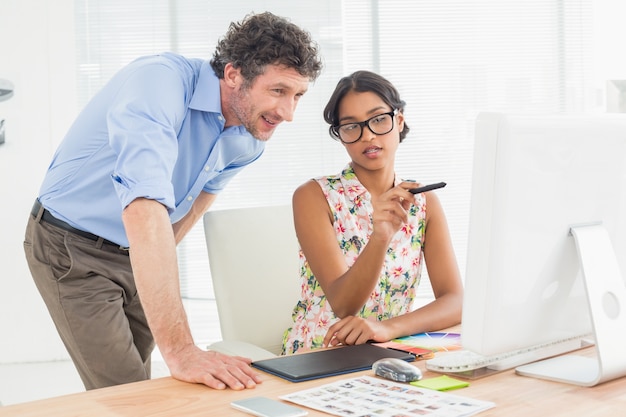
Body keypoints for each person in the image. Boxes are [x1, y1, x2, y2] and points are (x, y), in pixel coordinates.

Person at [23, 11, 322, 390]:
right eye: (278, 91)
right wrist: (182, 350)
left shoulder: (249, 138)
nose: (288, 113)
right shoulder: (158, 84)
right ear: (233, 75)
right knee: (126, 390)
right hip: (72, 247)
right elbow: (143, 208)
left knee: (147, 385)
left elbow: (196, 204)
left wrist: (150, 267)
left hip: (139, 247)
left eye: (297, 95)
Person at [282, 71, 463, 355]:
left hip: (390, 350)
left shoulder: (425, 203)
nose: (367, 135)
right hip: (321, 353)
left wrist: (388, 328)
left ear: (399, 121)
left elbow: (456, 301)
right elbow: (344, 305)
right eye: (351, 126)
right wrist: (380, 236)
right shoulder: (313, 196)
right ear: (341, 137)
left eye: (379, 119)